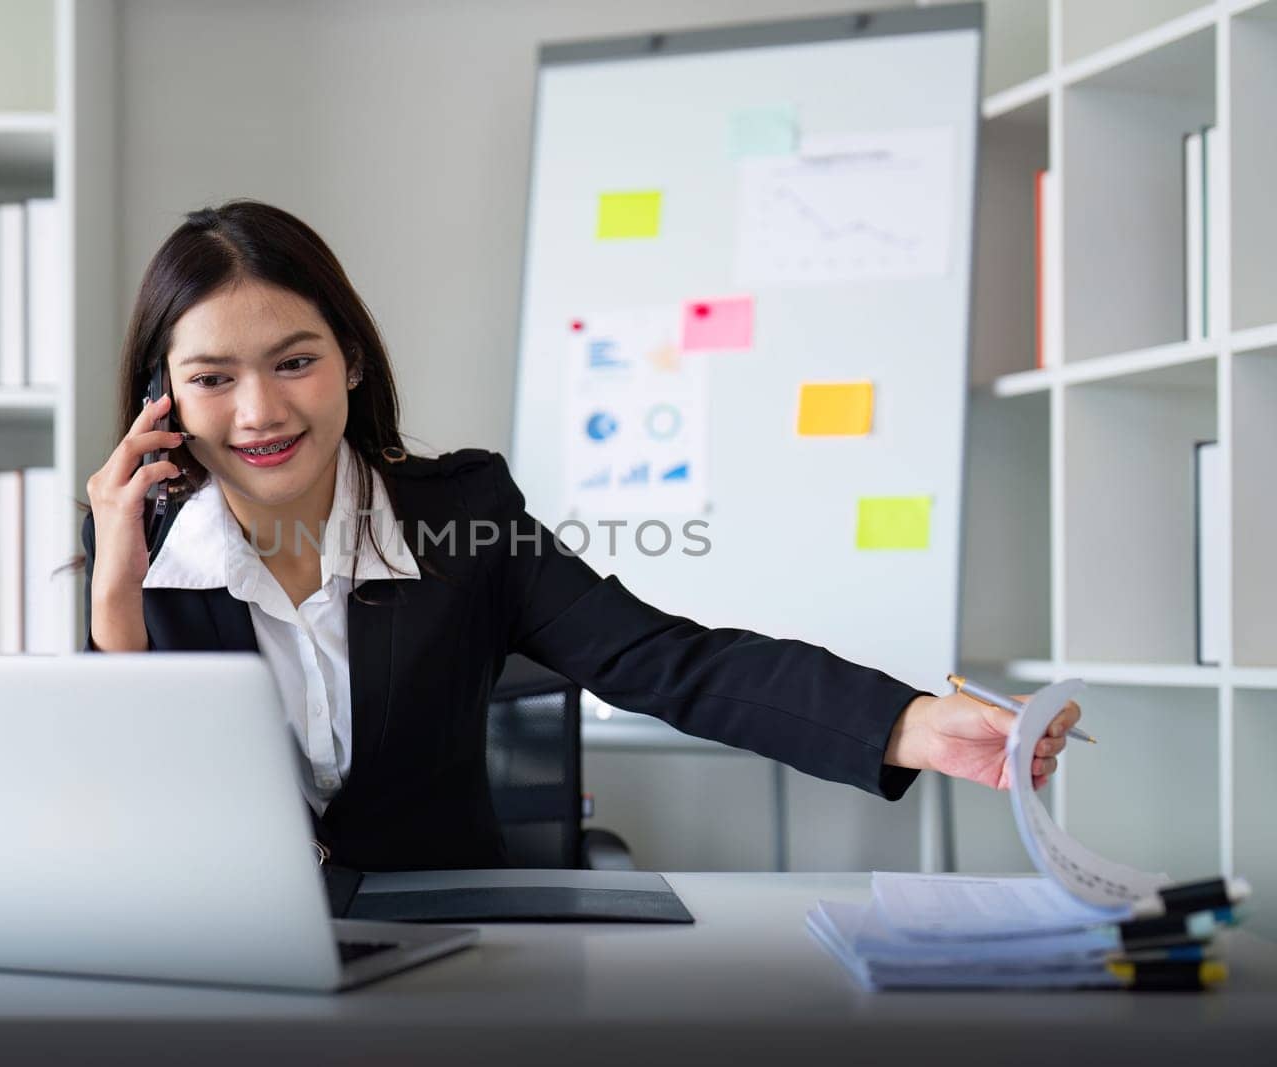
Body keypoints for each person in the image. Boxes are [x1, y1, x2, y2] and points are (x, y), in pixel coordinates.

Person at [82, 200, 1080, 872]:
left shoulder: (458, 517)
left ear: (347, 358)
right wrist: (117, 600)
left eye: (291, 361)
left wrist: (907, 721)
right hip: (228, 969)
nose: (257, 411)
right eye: (213, 377)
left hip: (450, 960)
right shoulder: (138, 552)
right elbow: (126, 815)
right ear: (162, 396)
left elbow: (664, 659)